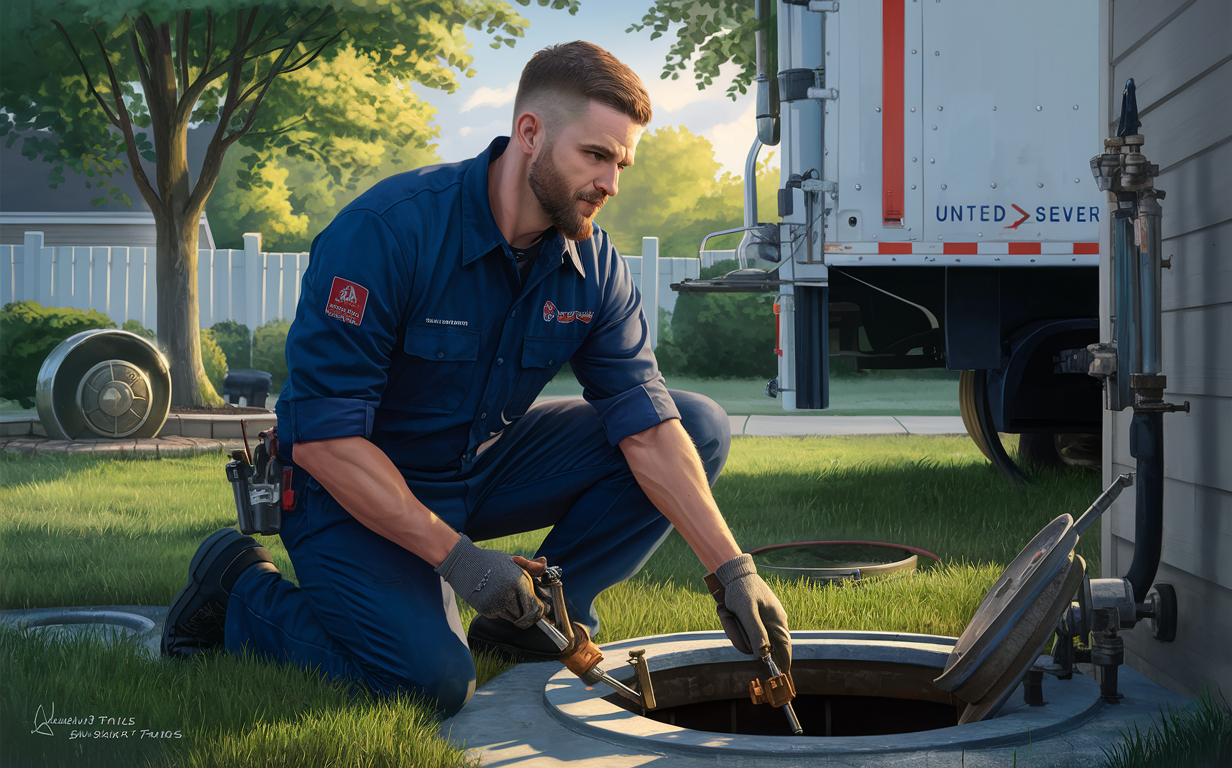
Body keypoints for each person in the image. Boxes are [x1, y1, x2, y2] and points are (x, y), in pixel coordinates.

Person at [161, 40, 792, 718]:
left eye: (622, 163)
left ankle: (527, 623)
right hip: (342, 489)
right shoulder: (387, 233)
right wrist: (461, 562)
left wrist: (733, 571)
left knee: (694, 425)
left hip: (475, 469)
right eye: (597, 155)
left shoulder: (594, 265)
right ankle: (238, 588)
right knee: (430, 683)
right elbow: (322, 441)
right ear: (530, 133)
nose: (612, 183)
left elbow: (646, 425)